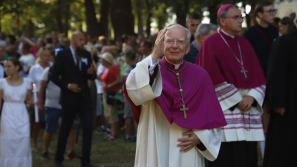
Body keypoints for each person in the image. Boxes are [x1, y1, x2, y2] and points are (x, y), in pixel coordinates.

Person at [124, 24, 226, 167]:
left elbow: (212, 117)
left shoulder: (200, 75)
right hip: (157, 139)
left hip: (187, 145)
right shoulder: (151, 69)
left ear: (188, 48)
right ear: (160, 45)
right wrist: (154, 55)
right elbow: (133, 89)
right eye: (169, 41)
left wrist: (201, 137)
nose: (174, 46)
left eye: (180, 42)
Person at [196, 4, 266, 167]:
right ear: (222, 21)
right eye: (236, 17)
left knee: (247, 157)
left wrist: (251, 97)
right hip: (225, 110)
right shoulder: (210, 43)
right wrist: (238, 100)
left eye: (241, 17)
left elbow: (259, 77)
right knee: (225, 159)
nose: (241, 20)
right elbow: (209, 78)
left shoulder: (246, 44)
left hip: (247, 110)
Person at [50, 31, 97, 167]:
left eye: (84, 40)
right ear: (73, 41)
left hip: (84, 98)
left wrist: (92, 74)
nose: (83, 43)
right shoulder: (63, 55)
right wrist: (67, 85)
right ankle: (59, 159)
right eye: (80, 40)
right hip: (69, 98)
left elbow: (91, 77)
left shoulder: (87, 55)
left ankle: (85, 161)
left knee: (88, 128)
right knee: (65, 129)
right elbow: (53, 76)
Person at [37, 49, 80, 161]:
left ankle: (70, 151)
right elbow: (42, 86)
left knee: (70, 127)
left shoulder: (70, 70)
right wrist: (40, 101)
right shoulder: (49, 70)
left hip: (66, 103)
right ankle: (45, 150)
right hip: (52, 104)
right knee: (50, 128)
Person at [263, 30, 297, 167]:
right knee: (284, 149)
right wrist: (277, 102)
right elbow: (275, 72)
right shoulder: (285, 41)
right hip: (289, 106)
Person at [0, 57, 34, 167]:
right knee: (8, 141)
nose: (6, 69)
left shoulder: (27, 82)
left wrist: (35, 102)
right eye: (5, 66)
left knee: (23, 141)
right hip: (7, 113)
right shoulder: (2, 82)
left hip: (22, 113)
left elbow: (28, 100)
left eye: (9, 66)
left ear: (17, 67)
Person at [242, 1, 279, 78]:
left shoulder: (274, 30)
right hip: (259, 76)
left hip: (275, 74)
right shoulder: (249, 33)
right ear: (260, 14)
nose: (273, 14)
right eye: (270, 11)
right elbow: (246, 58)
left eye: (274, 11)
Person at [28, 47, 51, 151]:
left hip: (50, 94)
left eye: (48, 56)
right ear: (40, 56)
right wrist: (32, 95)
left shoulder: (53, 67)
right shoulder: (34, 68)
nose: (46, 58)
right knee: (37, 120)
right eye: (44, 56)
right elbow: (30, 82)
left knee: (50, 120)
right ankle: (34, 142)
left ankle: (47, 145)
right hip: (37, 93)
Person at [100, 52, 121, 141]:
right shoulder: (106, 68)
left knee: (112, 113)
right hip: (106, 93)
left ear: (106, 60)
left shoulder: (113, 68)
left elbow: (119, 79)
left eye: (102, 59)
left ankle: (114, 134)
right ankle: (111, 132)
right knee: (108, 114)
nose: (101, 61)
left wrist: (109, 86)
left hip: (111, 94)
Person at [121, 50, 137, 142]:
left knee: (127, 116)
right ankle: (136, 135)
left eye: (125, 57)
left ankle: (127, 136)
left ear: (129, 58)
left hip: (128, 94)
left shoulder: (129, 68)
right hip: (135, 94)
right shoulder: (137, 66)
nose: (124, 58)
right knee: (135, 115)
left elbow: (126, 82)